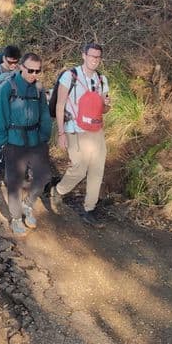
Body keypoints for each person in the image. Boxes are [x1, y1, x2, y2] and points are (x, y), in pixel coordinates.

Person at [51, 42, 111, 225]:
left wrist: (106, 103)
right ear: (83, 56)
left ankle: (89, 209)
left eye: (98, 57)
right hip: (74, 129)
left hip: (96, 130)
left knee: (97, 169)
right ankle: (59, 190)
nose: (95, 60)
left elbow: (105, 109)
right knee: (79, 167)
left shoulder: (102, 80)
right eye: (92, 56)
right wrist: (61, 133)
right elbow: (59, 105)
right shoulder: (70, 76)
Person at [0, 53, 52, 236]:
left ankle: (28, 205)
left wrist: (44, 135)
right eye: (30, 70)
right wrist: (2, 142)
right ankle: (16, 218)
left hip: (35, 139)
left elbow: (44, 114)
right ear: (21, 67)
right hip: (14, 140)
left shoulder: (39, 90)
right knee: (15, 181)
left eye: (37, 71)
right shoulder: (7, 88)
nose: (34, 74)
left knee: (43, 176)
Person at [0, 45, 21, 183]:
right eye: (10, 62)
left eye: (15, 62)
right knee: (0, 144)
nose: (13, 65)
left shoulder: (21, 71)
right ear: (3, 58)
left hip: (16, 115)